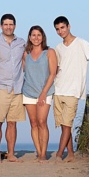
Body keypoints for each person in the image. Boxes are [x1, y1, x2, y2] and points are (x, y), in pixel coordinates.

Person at [52, 16, 89, 162]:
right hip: (58, 89)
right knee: (64, 125)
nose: (60, 31)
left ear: (69, 26)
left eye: (62, 27)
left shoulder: (81, 43)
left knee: (67, 123)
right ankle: (70, 154)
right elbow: (57, 68)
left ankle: (58, 154)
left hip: (73, 91)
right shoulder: (58, 48)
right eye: (57, 29)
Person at [0, 13, 27, 162]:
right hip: (1, 87)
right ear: (1, 26)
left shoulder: (21, 42)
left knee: (12, 122)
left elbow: (26, 62)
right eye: (6, 24)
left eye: (11, 24)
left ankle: (11, 153)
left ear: (15, 26)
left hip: (17, 88)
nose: (8, 27)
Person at [21, 25, 58, 162]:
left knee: (42, 121)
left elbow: (53, 73)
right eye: (33, 35)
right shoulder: (26, 54)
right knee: (33, 123)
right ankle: (38, 151)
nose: (36, 38)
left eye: (39, 35)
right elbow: (23, 72)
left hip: (45, 92)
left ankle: (43, 153)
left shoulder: (49, 52)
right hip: (28, 92)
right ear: (29, 37)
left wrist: (43, 93)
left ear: (43, 37)